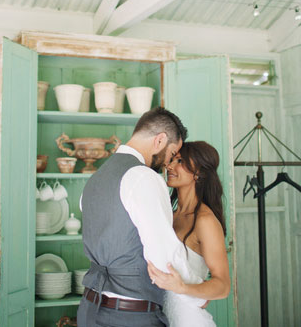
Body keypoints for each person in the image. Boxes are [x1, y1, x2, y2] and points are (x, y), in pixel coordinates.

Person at [78, 107, 205, 327]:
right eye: (172, 153)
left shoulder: (95, 179)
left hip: (89, 309)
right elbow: (164, 255)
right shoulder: (143, 177)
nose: (168, 163)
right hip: (128, 316)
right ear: (160, 140)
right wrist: (197, 293)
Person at [147, 141, 230, 327]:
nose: (169, 166)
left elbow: (223, 286)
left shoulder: (205, 221)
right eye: (172, 160)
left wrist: (183, 287)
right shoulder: (169, 215)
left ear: (199, 172)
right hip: (161, 319)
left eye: (180, 161)